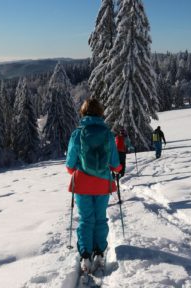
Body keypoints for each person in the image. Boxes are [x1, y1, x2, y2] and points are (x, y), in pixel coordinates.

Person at [65, 98, 122, 273]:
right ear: (100, 113)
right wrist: (117, 169)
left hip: (82, 184)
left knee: (86, 220)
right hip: (102, 184)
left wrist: (77, 169)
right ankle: (99, 252)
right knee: (100, 218)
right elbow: (115, 164)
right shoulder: (107, 134)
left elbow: (70, 165)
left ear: (83, 113)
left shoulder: (77, 134)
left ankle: (85, 255)